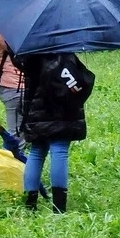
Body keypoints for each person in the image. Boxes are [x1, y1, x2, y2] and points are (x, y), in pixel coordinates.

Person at [16, 52, 94, 214]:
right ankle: (59, 209)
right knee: (59, 150)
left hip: (35, 107)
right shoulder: (60, 50)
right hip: (62, 112)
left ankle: (30, 206)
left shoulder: (29, 52)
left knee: (36, 152)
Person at [0, 25, 24, 142]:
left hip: (13, 85)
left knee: (24, 135)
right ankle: (9, 159)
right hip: (13, 85)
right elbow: (17, 48)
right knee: (16, 139)